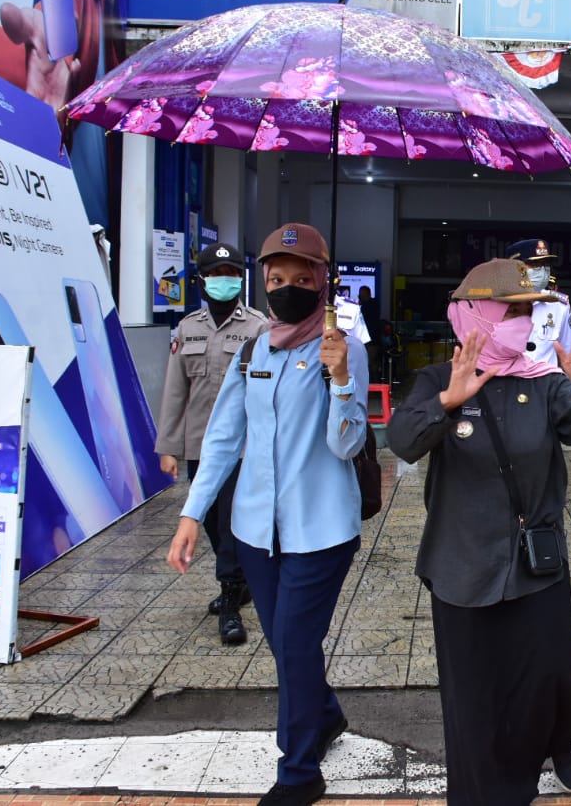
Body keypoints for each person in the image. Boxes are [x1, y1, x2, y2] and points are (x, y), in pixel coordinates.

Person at [387, 258, 571, 805]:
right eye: (510, 310)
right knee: (475, 701)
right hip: (463, 565)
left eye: (528, 311)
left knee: (549, 681)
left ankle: (559, 739)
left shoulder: (543, 379)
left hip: (535, 562)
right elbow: (402, 440)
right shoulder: (439, 379)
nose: (521, 320)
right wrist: (448, 402)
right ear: (473, 314)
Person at [167, 223, 368, 806]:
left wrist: (340, 379)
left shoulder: (341, 346)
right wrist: (190, 514)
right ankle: (325, 715)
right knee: (287, 646)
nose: (287, 289)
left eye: (301, 279)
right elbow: (224, 436)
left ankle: (299, 771)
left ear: (322, 282)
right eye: (276, 279)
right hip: (256, 529)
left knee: (296, 644)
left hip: (321, 528)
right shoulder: (255, 348)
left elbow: (347, 445)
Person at [155, 242, 268, 644]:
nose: (225, 281)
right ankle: (240, 584)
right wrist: (168, 446)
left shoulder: (258, 327)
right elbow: (175, 393)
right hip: (200, 446)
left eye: (232, 274)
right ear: (201, 279)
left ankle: (230, 600)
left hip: (243, 449)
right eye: (217, 275)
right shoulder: (188, 328)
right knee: (209, 524)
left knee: (230, 524)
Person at [504, 238, 571, 366]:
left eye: (545, 264)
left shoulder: (558, 305)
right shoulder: (496, 303)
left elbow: (570, 356)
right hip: (506, 382)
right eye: (535, 264)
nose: (542, 270)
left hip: (545, 384)